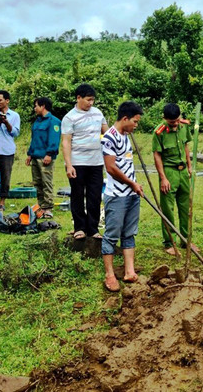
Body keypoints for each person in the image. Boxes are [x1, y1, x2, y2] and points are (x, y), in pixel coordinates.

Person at [101, 101, 144, 292]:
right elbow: (111, 168)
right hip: (117, 195)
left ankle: (129, 271)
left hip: (131, 193)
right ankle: (110, 275)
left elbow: (126, 164)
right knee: (112, 235)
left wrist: (135, 185)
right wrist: (132, 183)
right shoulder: (109, 138)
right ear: (125, 118)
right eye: (134, 121)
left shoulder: (126, 135)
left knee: (129, 232)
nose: (136, 125)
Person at [61, 84, 108, 240]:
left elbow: (107, 133)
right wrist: (69, 164)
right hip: (77, 163)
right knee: (78, 195)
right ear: (78, 98)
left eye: (93, 100)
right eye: (88, 100)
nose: (91, 103)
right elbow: (66, 142)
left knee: (95, 195)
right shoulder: (69, 117)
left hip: (96, 162)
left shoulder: (98, 113)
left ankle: (93, 228)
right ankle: (79, 227)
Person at [152, 103, 194, 255]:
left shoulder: (184, 126)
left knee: (185, 207)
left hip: (183, 172)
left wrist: (190, 166)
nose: (175, 124)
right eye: (172, 122)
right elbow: (157, 155)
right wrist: (163, 178)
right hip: (169, 171)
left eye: (177, 120)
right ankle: (170, 242)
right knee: (168, 208)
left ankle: (185, 240)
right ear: (164, 119)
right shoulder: (159, 131)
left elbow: (186, 147)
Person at [26, 97, 61, 218]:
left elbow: (54, 140)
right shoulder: (37, 121)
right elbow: (34, 139)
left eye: (36, 106)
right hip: (36, 156)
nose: (35, 108)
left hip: (45, 157)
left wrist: (49, 154)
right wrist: (30, 154)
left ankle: (48, 207)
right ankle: (41, 205)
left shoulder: (53, 121)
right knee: (37, 182)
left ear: (43, 106)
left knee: (46, 182)